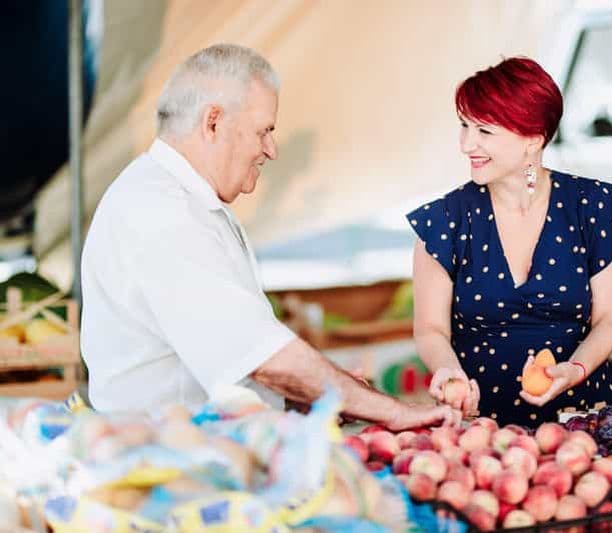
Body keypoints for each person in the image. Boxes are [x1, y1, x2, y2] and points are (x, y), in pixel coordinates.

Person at [80, 43, 459, 431]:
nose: (271, 149)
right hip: (167, 464)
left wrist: (316, 395)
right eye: (264, 131)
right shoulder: (161, 210)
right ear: (213, 122)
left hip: (198, 450)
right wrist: (391, 410)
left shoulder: (187, 203)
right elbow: (261, 356)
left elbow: (231, 358)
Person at [407, 57, 612, 426]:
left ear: (533, 138)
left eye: (484, 131)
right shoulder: (444, 220)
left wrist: (574, 370)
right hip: (480, 428)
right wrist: (450, 373)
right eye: (464, 126)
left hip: (585, 422)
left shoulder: (595, 209)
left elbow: (610, 320)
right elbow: (430, 329)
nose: (467, 144)